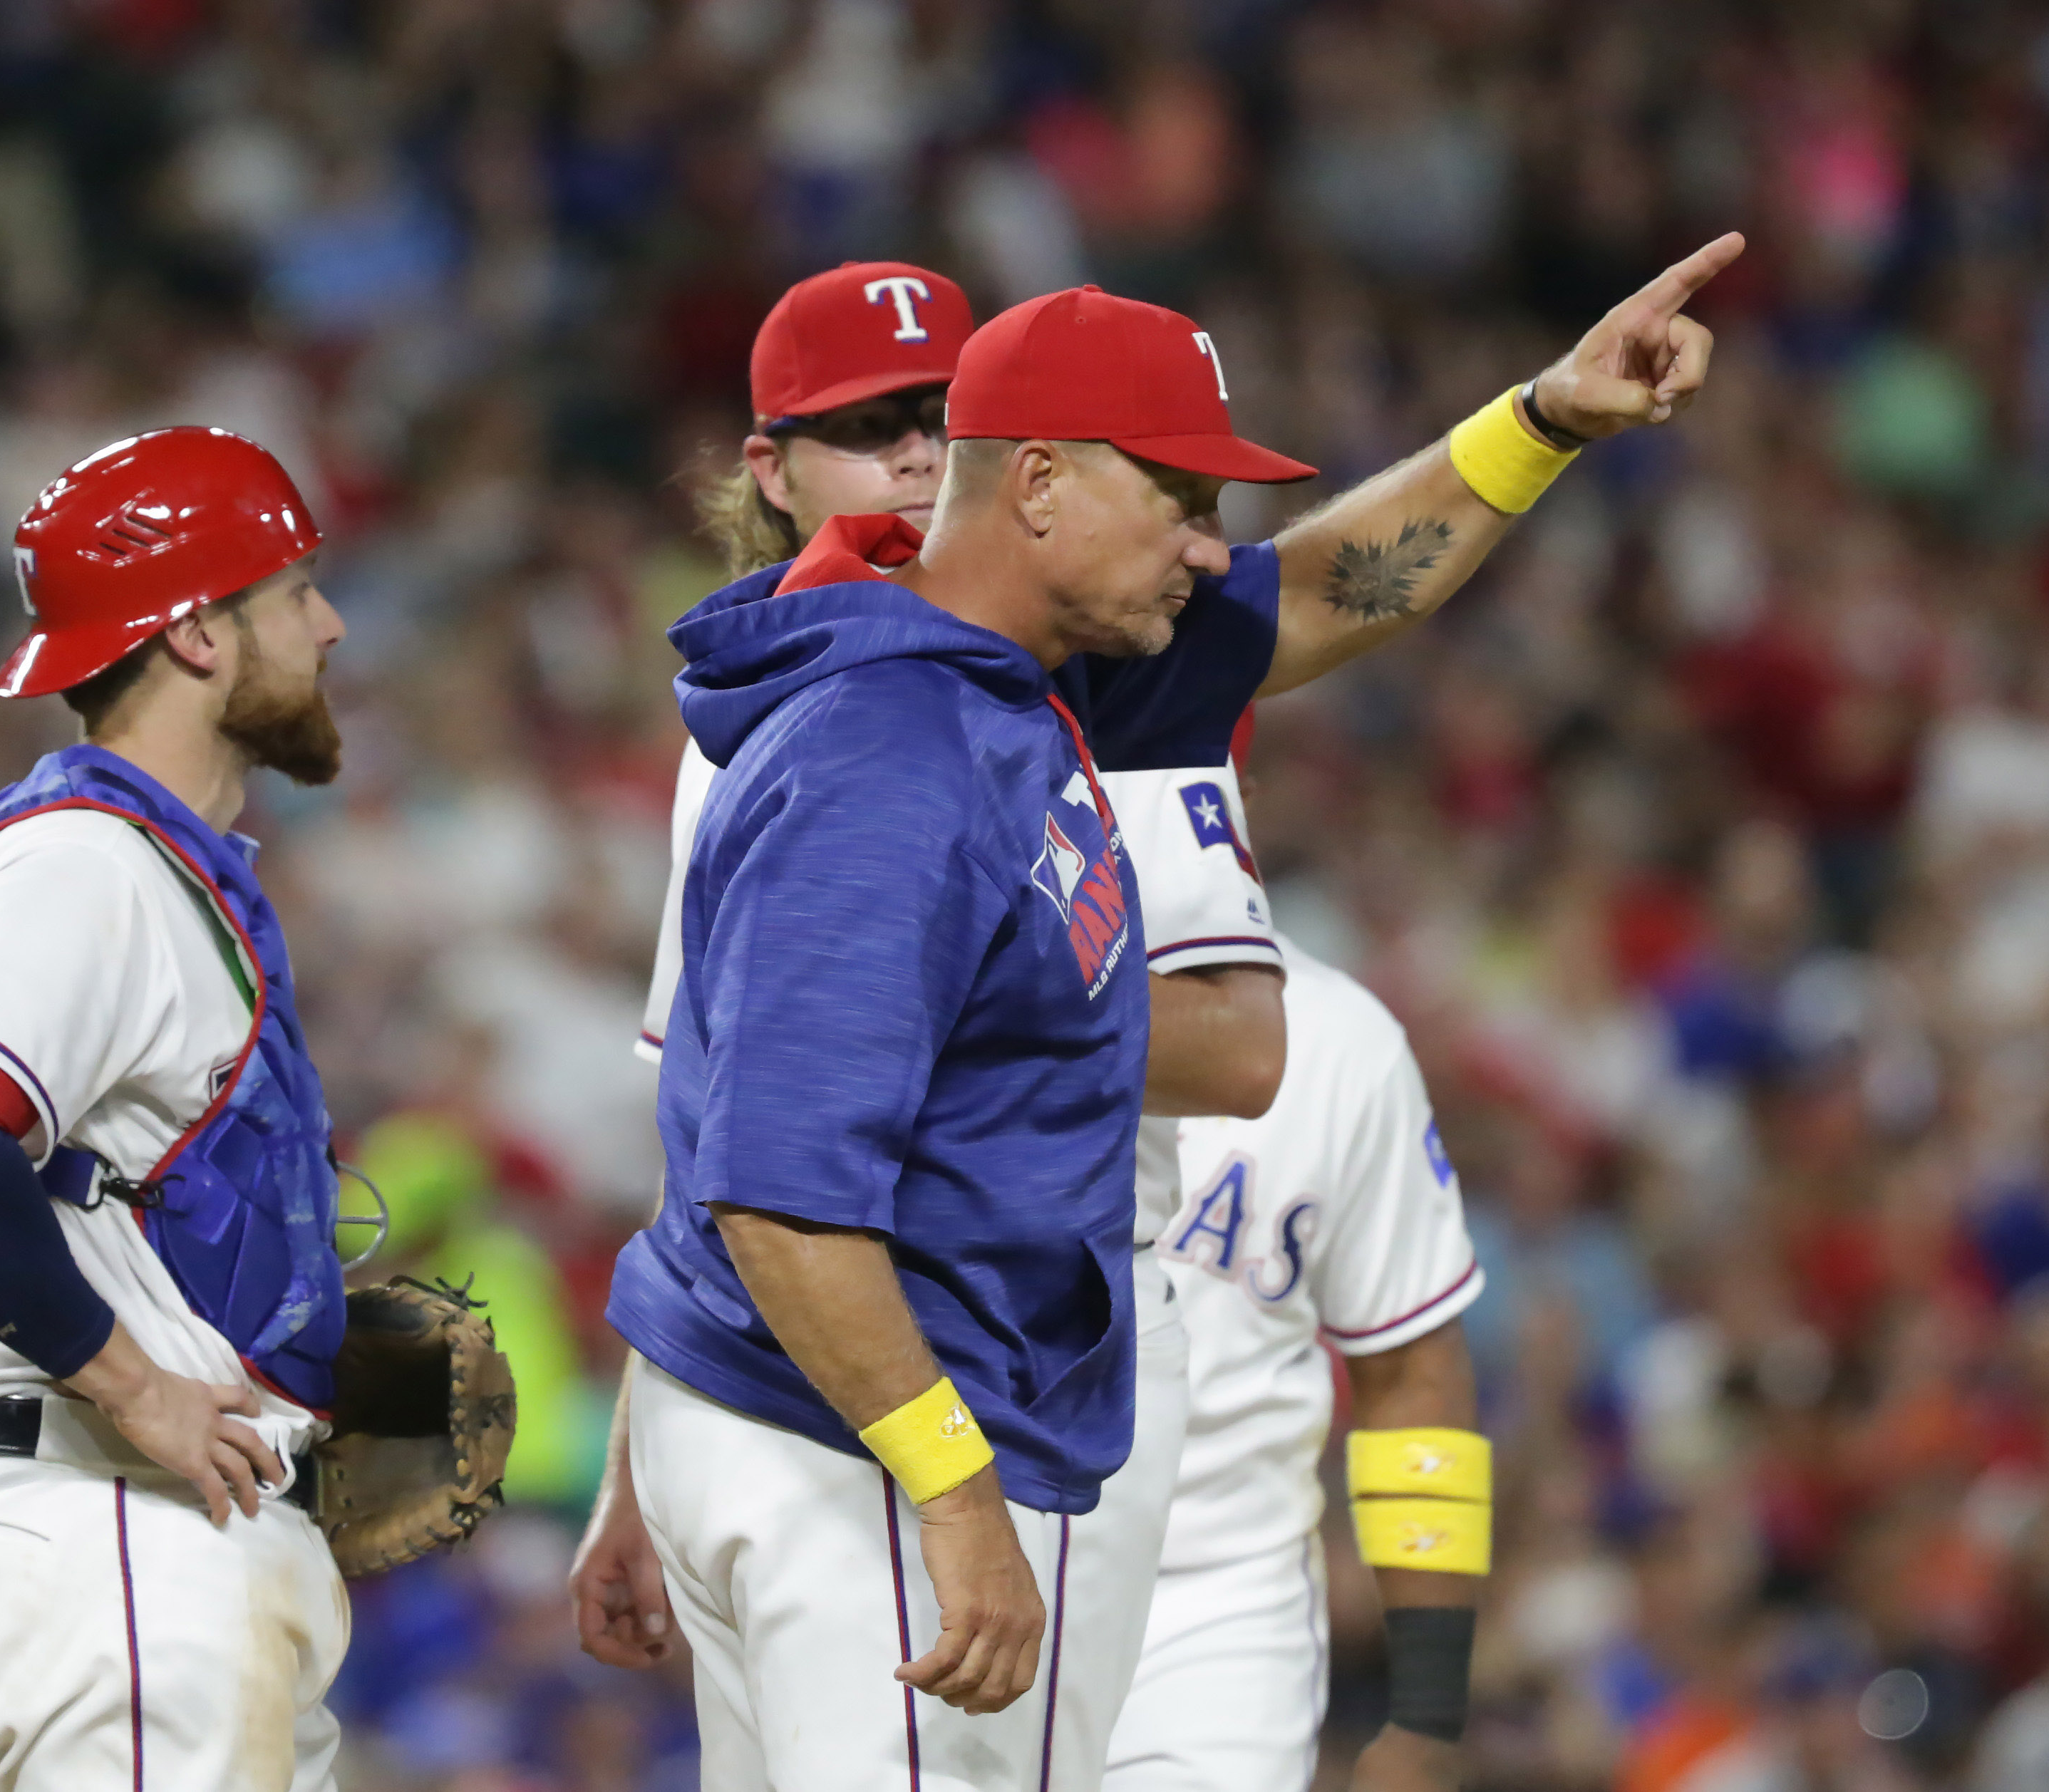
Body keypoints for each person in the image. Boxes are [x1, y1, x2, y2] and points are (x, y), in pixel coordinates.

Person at [602, 232, 1735, 1791]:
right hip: (890, 1396)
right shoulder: (887, 732)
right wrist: (946, 1486)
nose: (1208, 545)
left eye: (939, 411)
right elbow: (761, 1170)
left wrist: (1539, 418)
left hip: (875, 1390)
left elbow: (1340, 580)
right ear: (1039, 483)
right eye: (877, 426)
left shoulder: (997, 663)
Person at [0, 426, 355, 1791]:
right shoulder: (84, 861)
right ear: (196, 633)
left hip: (186, 1554)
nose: (330, 622)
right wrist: (139, 1388)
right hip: (128, 1548)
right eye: (294, 590)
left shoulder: (158, 870)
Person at [1105, 926, 1485, 1792]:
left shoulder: (1338, 1039)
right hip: (958, 1548)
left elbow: (1412, 1371)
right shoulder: (963, 967)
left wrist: (1425, 1715)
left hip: (1210, 1603)